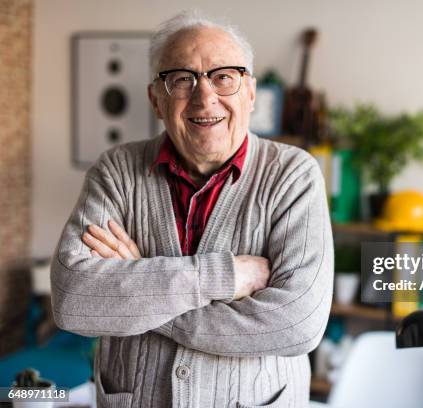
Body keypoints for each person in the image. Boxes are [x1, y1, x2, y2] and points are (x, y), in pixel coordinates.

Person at [50, 10, 333, 408]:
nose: (204, 96)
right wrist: (226, 276)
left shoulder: (294, 174)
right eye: (181, 79)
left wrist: (142, 288)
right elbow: (73, 301)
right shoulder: (115, 170)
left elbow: (297, 326)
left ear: (250, 93)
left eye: (224, 76)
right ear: (155, 100)